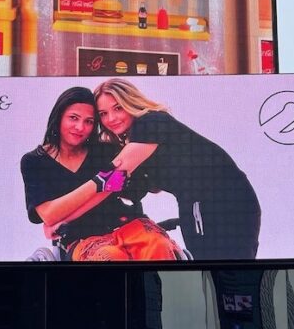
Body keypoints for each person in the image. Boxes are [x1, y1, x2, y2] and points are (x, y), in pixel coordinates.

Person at [94, 78, 262, 260]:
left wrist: (71, 205)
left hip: (218, 201)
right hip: (211, 201)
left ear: (131, 102)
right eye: (103, 113)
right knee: (222, 270)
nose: (111, 118)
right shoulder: (138, 138)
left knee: (220, 269)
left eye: (118, 108)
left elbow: (108, 180)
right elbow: (144, 188)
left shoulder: (149, 122)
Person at [20, 86, 181, 261]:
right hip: (83, 238)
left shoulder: (106, 151)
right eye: (73, 118)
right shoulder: (35, 161)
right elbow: (49, 214)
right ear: (58, 117)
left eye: (89, 121)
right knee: (109, 257)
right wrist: (99, 183)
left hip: (128, 226)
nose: (80, 127)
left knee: (159, 246)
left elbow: (139, 189)